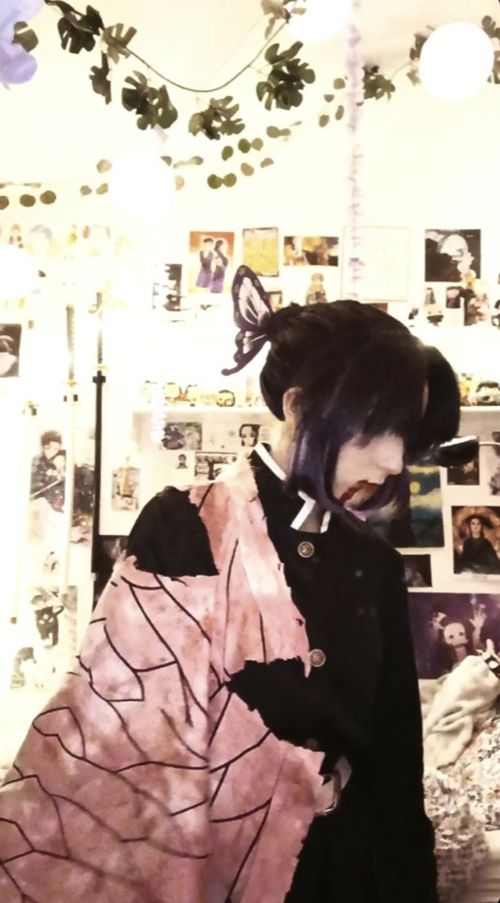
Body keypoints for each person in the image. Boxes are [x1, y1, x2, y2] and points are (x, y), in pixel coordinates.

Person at [0, 271, 461, 902]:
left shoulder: (375, 563)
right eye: (374, 428)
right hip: (206, 870)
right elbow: (115, 735)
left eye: (405, 434)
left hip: (346, 877)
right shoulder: (185, 525)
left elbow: (395, 762)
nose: (394, 460)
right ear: (298, 406)